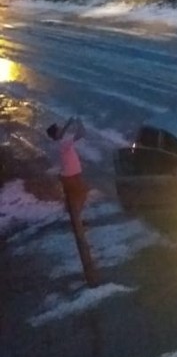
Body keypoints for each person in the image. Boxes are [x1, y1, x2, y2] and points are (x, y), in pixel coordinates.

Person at [47, 116, 99, 286]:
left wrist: (73, 123)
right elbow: (81, 133)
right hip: (72, 177)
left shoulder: (60, 142)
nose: (61, 129)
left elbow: (74, 133)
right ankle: (76, 220)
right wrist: (75, 122)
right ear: (56, 134)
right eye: (58, 128)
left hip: (69, 176)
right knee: (81, 194)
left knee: (78, 197)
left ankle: (75, 217)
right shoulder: (63, 142)